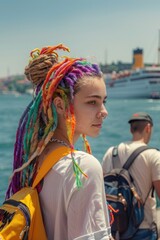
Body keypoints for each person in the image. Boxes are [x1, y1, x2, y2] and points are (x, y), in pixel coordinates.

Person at [6, 44, 112, 240]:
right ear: (61, 105)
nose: (104, 112)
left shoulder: (34, 161)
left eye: (104, 101)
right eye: (92, 102)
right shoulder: (83, 167)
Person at [102, 112, 160, 239]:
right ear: (148, 128)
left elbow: (101, 189)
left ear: (131, 129)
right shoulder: (153, 155)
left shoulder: (111, 152)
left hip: (116, 226)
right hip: (144, 229)